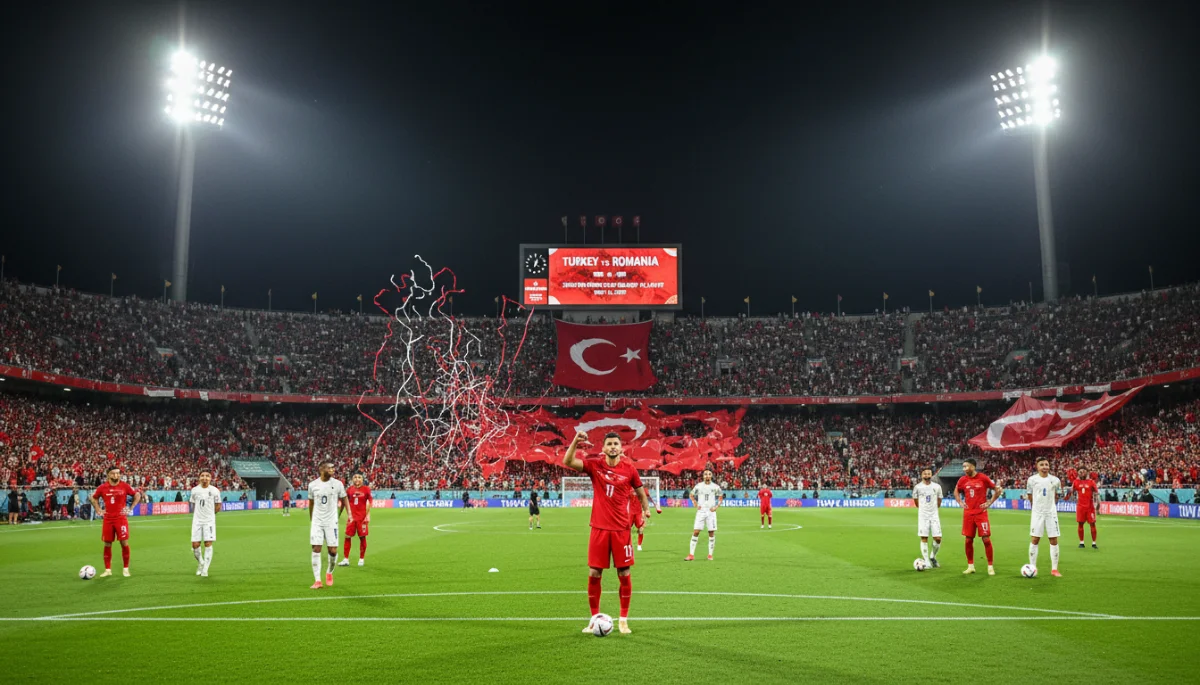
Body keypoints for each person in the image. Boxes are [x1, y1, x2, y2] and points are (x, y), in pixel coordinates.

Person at [563, 430, 653, 636]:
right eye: (609, 444)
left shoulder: (629, 469)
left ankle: (623, 620)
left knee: (624, 573)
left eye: (616, 444)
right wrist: (575, 441)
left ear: (621, 448)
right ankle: (594, 619)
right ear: (603, 448)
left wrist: (646, 509)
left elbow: (640, 491)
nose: (613, 446)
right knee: (594, 573)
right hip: (599, 528)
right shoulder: (595, 465)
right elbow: (568, 461)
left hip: (621, 529)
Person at [90, 466, 141, 578]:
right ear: (108, 474)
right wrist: (98, 509)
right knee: (107, 543)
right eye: (113, 473)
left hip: (121, 519)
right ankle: (108, 570)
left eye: (118, 473)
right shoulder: (102, 487)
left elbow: (137, 495)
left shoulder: (124, 486)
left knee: (124, 543)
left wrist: (131, 508)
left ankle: (126, 569)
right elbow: (93, 498)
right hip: (108, 519)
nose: (116, 475)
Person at [954, 458, 1001, 576]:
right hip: (968, 514)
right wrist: (960, 502)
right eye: (963, 467)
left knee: (986, 539)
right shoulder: (962, 480)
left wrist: (990, 502)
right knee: (968, 540)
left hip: (981, 513)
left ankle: (990, 566)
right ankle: (970, 566)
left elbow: (997, 490)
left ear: (973, 467)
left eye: (966, 466)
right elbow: (956, 491)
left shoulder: (983, 478)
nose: (964, 469)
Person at [308, 461, 348, 589]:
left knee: (333, 551)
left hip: (331, 521)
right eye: (329, 468)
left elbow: (344, 498)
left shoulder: (338, 484)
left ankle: (329, 572)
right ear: (321, 469)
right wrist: (312, 519)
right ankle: (317, 580)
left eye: (333, 468)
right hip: (317, 521)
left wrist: (350, 514)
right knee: (316, 548)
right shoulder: (313, 485)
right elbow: (311, 503)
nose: (332, 470)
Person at [1025, 458, 1063, 577]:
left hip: (1051, 513)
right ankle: (1032, 568)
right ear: (1037, 467)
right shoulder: (1032, 480)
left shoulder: (1055, 480)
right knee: (1035, 539)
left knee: (1053, 539)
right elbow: (1030, 496)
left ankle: (1054, 569)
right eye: (1041, 464)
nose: (1045, 466)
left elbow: (1057, 495)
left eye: (1046, 464)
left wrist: (1051, 507)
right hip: (1037, 513)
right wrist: (1036, 508)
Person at [189, 471, 221, 577]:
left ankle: (205, 570)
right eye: (202, 475)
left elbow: (218, 505)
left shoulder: (215, 491)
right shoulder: (194, 490)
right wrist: (198, 515)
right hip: (197, 521)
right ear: (199, 478)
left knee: (208, 543)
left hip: (209, 521)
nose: (205, 477)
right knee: (195, 545)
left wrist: (210, 516)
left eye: (207, 476)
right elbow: (192, 505)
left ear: (210, 478)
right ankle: (201, 562)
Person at [687, 469, 723, 561]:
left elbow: (721, 496)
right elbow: (691, 494)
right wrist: (694, 502)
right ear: (703, 476)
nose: (707, 476)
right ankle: (691, 555)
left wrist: (716, 507)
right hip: (701, 511)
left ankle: (710, 555)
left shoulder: (715, 487)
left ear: (711, 476)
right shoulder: (699, 486)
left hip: (711, 512)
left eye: (709, 474)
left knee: (711, 532)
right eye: (705, 474)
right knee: (696, 531)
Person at [912, 467, 943, 568]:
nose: (927, 475)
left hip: (934, 515)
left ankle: (932, 556)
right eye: (925, 473)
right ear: (922, 475)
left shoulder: (937, 487)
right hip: (923, 516)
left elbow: (939, 500)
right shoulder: (917, 487)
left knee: (938, 538)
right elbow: (916, 501)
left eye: (929, 473)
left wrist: (933, 510)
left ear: (931, 475)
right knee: (924, 537)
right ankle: (926, 561)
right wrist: (923, 510)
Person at [339, 473, 371, 567]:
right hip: (351, 518)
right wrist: (338, 514)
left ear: (362, 479)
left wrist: (367, 515)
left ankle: (361, 559)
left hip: (362, 519)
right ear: (352, 479)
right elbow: (344, 502)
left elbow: (369, 502)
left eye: (359, 477)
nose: (357, 479)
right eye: (355, 477)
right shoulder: (349, 490)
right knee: (347, 536)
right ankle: (346, 559)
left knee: (362, 537)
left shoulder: (366, 489)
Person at [1071, 474, 1100, 549]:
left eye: (1083, 471)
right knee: (1080, 524)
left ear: (1087, 473)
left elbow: (1096, 492)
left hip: (1090, 507)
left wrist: (1098, 502)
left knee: (1092, 524)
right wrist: (1073, 496)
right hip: (1080, 507)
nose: (1082, 473)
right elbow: (1072, 491)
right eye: (1080, 471)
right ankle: (1081, 542)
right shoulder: (1076, 482)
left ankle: (1094, 543)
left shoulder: (1091, 482)